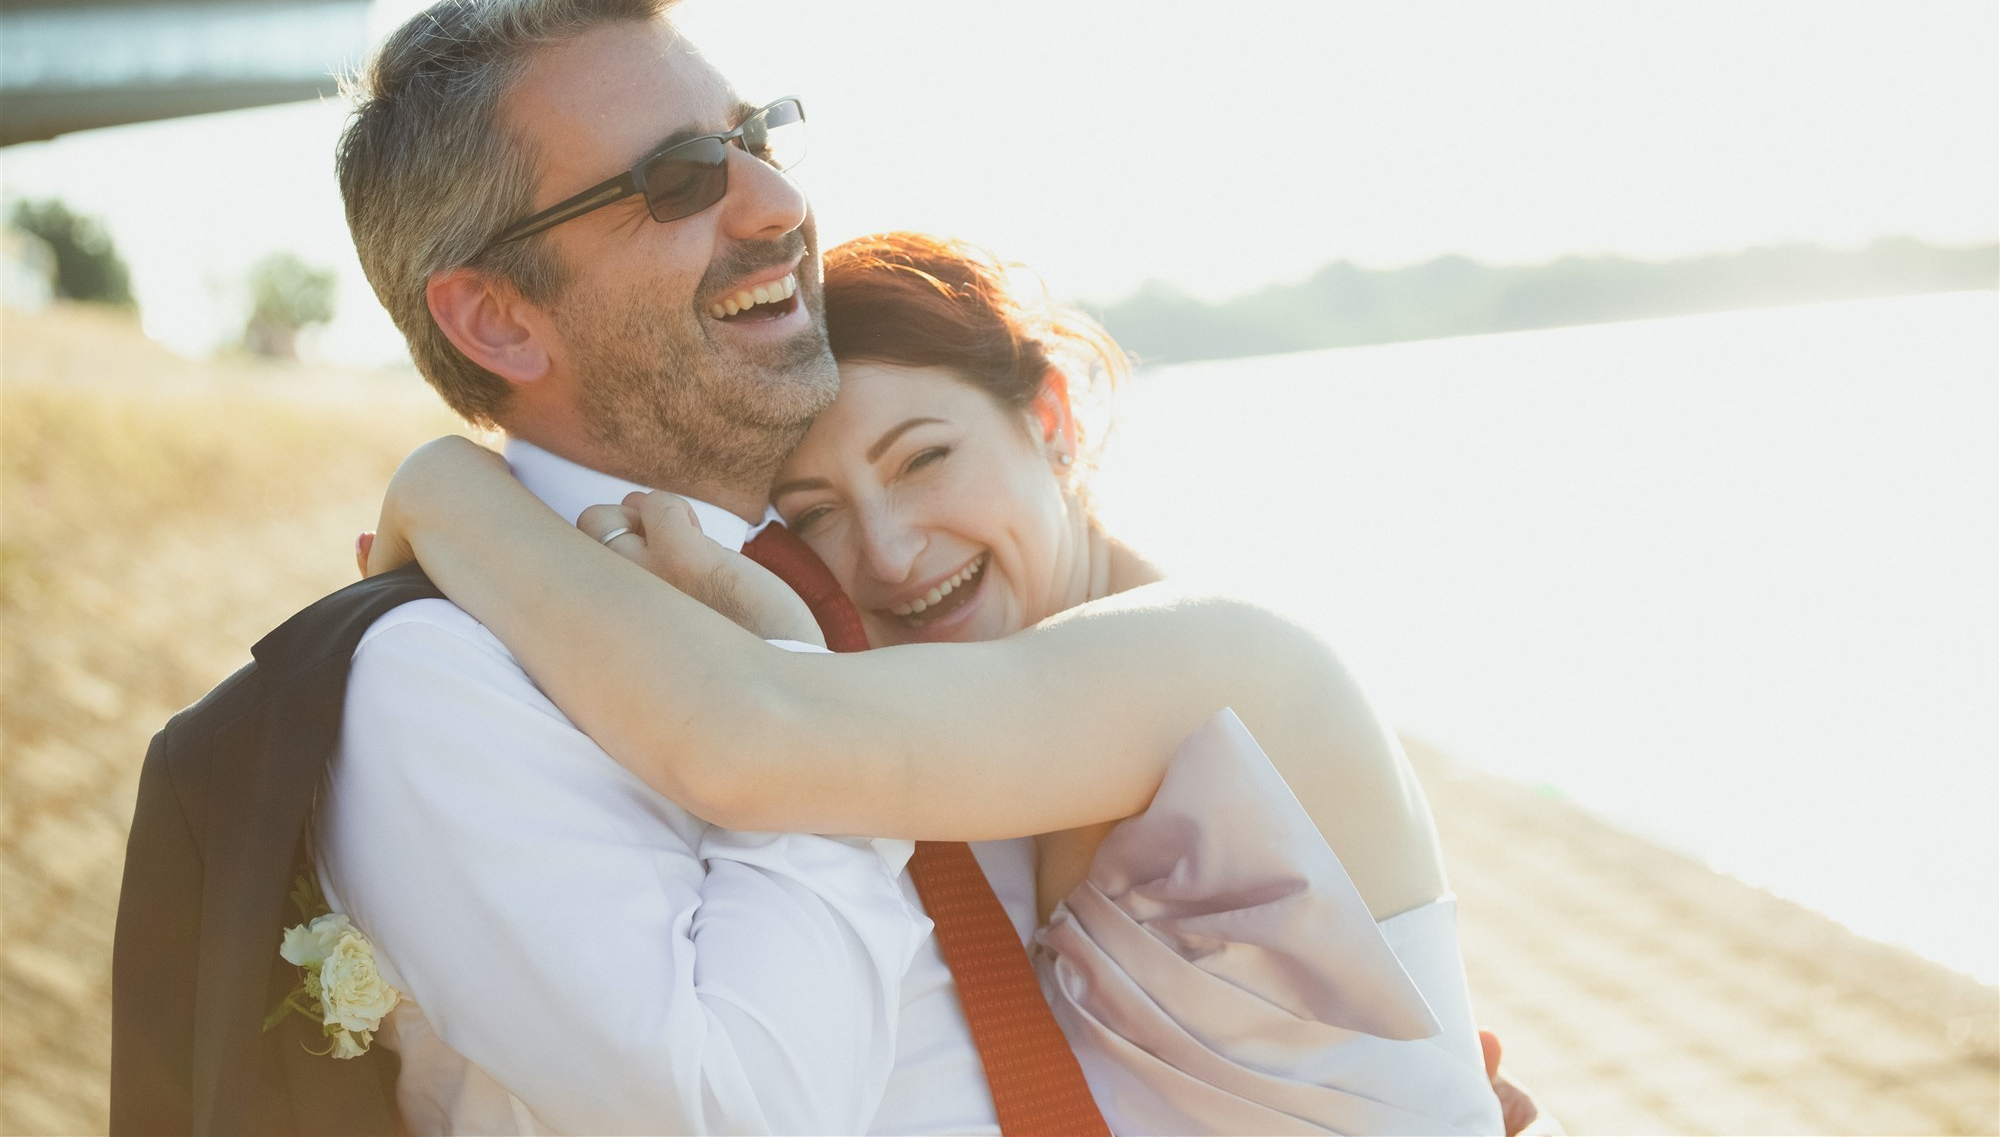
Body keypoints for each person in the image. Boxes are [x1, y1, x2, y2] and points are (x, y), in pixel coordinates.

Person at [362, 233, 1520, 1132]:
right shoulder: (977, 740)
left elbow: (748, 738)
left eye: (924, 458)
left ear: (1052, 418)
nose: (890, 550)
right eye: (814, 517)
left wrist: (449, 489)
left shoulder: (1220, 658)